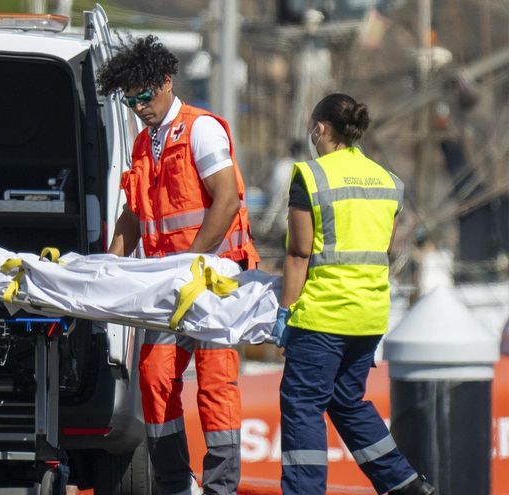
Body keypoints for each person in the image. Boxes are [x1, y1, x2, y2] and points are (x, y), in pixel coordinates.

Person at [97, 35, 259, 495]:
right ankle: (173, 483)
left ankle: (220, 487)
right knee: (154, 376)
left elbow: (225, 202)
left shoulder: (200, 130)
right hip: (169, 284)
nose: (138, 108)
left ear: (166, 83)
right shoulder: (144, 142)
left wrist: (191, 263)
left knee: (215, 384)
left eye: (144, 97)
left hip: (212, 280)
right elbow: (132, 215)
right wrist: (107, 270)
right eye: (130, 101)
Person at [272, 93, 435, 495]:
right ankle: (403, 483)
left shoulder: (311, 176)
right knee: (346, 401)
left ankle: (305, 491)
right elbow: (382, 248)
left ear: (320, 128)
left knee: (303, 405)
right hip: (370, 315)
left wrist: (284, 312)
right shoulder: (387, 181)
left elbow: (298, 253)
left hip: (323, 314)